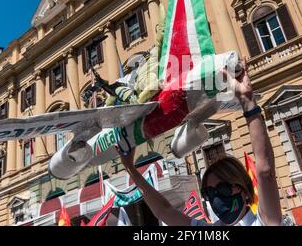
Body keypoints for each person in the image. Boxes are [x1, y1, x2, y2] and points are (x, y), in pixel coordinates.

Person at [116, 58, 283, 226]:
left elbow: (265, 171)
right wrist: (130, 168)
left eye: (223, 189)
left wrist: (248, 103)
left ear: (245, 190)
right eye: (209, 193)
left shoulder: (265, 222)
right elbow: (164, 211)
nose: (216, 199)